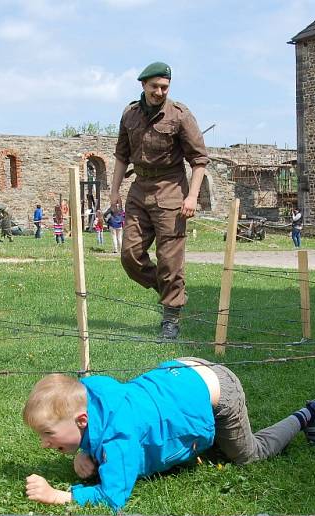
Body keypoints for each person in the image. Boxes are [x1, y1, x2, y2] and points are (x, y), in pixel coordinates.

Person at [22, 357, 315, 511]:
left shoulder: (120, 440)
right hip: (182, 371)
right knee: (207, 452)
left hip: (218, 391)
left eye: (48, 433)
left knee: (248, 454)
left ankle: (310, 414)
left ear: (81, 420)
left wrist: (59, 495)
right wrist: (83, 451)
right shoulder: (92, 391)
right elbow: (94, 428)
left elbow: (112, 498)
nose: (44, 443)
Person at [109, 61, 209, 339]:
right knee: (130, 256)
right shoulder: (130, 114)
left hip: (171, 191)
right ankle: (170, 290)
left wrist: (191, 197)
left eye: (165, 87)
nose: (160, 92)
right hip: (139, 189)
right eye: (155, 86)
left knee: (170, 260)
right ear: (143, 85)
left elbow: (199, 160)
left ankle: (171, 318)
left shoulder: (180, 115)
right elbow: (121, 156)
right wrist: (114, 190)